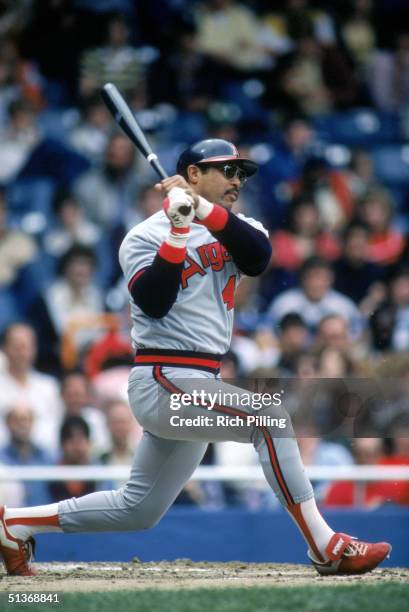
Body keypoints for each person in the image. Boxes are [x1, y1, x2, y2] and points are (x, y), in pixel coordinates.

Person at [0, 138, 390, 576]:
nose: (236, 180)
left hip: (201, 384)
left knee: (138, 509)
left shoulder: (244, 226)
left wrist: (200, 212)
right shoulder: (143, 236)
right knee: (270, 417)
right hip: (164, 379)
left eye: (240, 172)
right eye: (226, 170)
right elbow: (153, 301)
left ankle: (13, 523)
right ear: (192, 175)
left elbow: (258, 259)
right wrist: (179, 231)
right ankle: (325, 545)